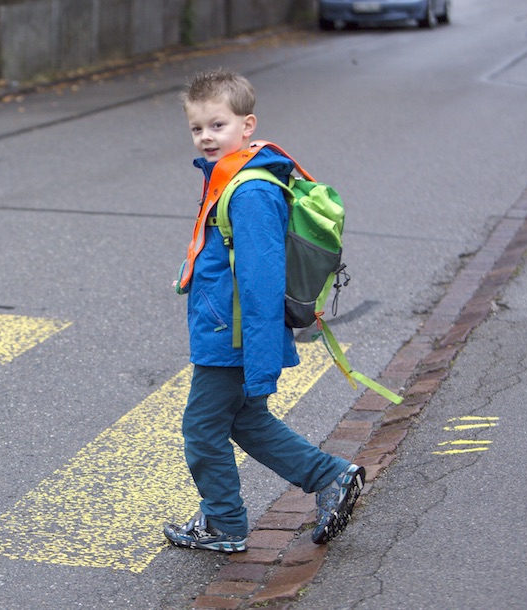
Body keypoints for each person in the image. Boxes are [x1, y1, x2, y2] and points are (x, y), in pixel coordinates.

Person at [164, 68, 364, 553]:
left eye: (218, 125)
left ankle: (224, 525)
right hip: (226, 328)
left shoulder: (250, 191)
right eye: (198, 128)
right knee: (245, 422)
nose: (207, 137)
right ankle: (332, 477)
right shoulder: (231, 178)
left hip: (232, 336)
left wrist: (259, 362)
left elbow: (261, 285)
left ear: (247, 125)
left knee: (202, 428)